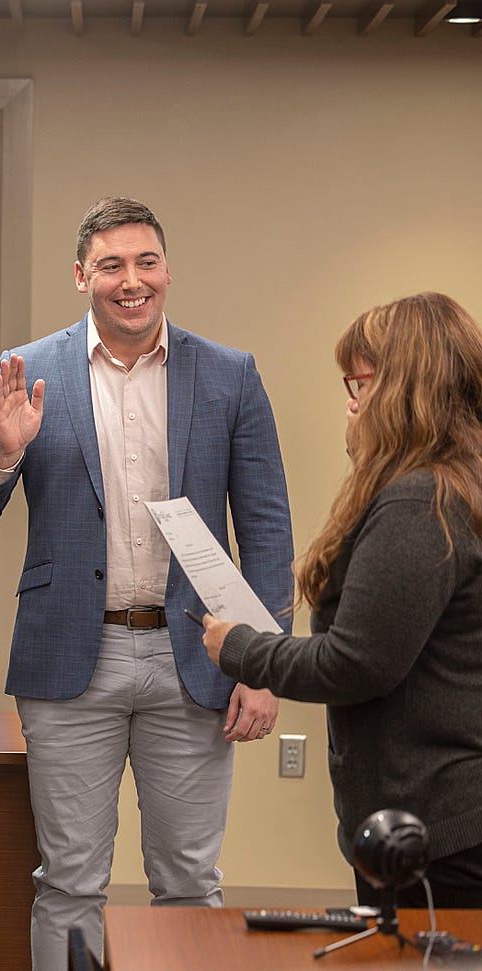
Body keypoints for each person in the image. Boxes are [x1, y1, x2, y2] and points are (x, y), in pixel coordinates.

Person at [0, 196, 294, 971]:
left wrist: (264, 664)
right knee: (67, 883)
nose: (131, 281)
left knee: (189, 882)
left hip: (195, 662)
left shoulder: (230, 375)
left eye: (146, 262)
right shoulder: (28, 371)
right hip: (71, 661)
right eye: (111, 265)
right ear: (80, 275)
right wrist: (2, 455)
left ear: (167, 270)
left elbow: (267, 532)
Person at [203, 292, 482, 909]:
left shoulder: (420, 502)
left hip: (440, 832)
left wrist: (242, 651)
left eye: (358, 384)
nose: (350, 402)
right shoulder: (454, 482)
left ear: (404, 387)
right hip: (424, 823)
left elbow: (357, 664)